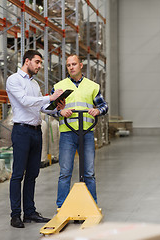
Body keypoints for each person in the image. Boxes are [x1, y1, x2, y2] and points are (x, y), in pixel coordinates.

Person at [6, 50, 64, 228]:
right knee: (18, 175)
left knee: (33, 174)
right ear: (27, 61)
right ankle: (16, 215)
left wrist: (56, 106)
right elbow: (24, 101)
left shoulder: (35, 85)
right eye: (37, 62)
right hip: (22, 132)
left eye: (40, 63)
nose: (39, 66)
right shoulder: (14, 80)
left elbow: (42, 106)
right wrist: (49, 97)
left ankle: (29, 212)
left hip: (36, 131)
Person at [50, 54, 108, 209]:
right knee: (65, 172)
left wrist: (97, 111)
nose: (71, 67)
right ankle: (61, 206)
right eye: (68, 65)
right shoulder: (59, 87)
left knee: (89, 172)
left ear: (81, 65)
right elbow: (51, 109)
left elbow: (104, 106)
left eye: (74, 64)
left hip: (87, 133)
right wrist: (60, 113)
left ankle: (92, 205)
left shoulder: (92, 86)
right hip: (67, 134)